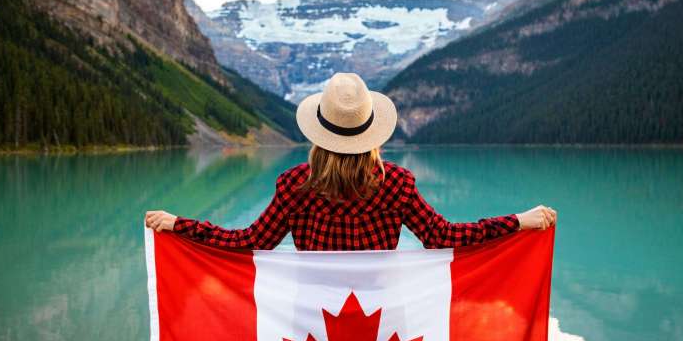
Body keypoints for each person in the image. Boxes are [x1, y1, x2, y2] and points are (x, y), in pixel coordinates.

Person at [145, 72, 556, 250]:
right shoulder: (397, 182)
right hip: (382, 316)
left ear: (318, 131)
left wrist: (180, 225)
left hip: (312, 320)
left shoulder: (294, 185)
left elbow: (249, 243)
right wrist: (519, 221)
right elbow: (443, 237)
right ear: (371, 132)